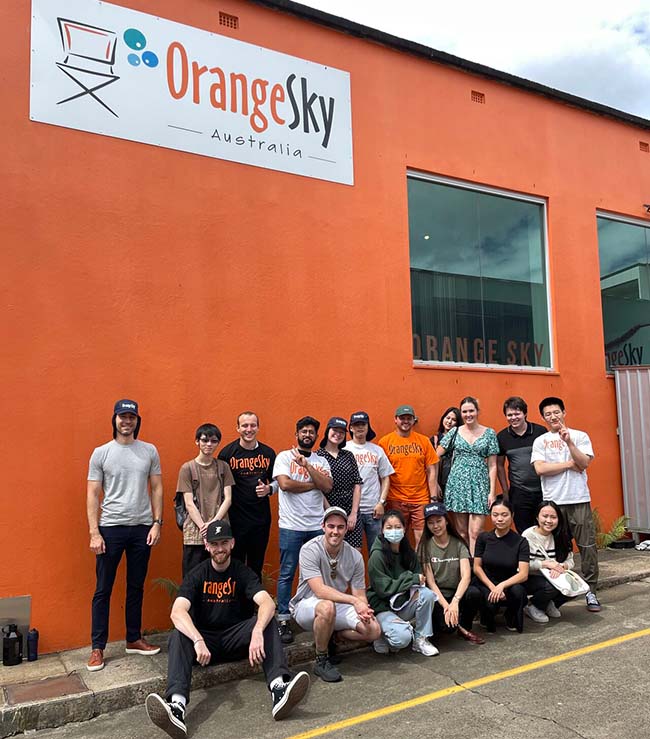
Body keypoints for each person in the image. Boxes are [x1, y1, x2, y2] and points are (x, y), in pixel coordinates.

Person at [144, 521, 310, 737]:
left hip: (237, 639)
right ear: (206, 545)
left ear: (232, 543)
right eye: (214, 544)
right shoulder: (197, 574)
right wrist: (197, 639)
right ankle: (177, 706)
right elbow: (177, 612)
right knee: (178, 635)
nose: (219, 548)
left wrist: (257, 631)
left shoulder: (242, 572)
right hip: (205, 645)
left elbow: (267, 603)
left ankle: (279, 688)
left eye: (224, 542)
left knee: (267, 620)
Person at [86, 399, 163, 672]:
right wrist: (94, 532)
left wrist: (157, 523)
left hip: (142, 527)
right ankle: (98, 647)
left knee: (136, 586)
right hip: (111, 529)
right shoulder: (101, 453)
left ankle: (133, 638)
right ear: (115, 419)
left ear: (137, 421)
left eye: (131, 417)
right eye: (122, 417)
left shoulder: (149, 451)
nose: (127, 422)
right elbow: (93, 494)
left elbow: (156, 489)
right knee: (103, 589)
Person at [289, 507, 381, 682]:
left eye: (340, 527)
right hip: (306, 604)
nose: (335, 531)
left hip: (336, 604)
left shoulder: (355, 556)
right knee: (327, 606)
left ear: (346, 529)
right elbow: (319, 590)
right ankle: (321, 660)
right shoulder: (309, 549)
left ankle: (334, 636)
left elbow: (359, 594)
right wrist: (354, 601)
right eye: (331, 526)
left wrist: (364, 610)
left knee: (373, 631)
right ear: (323, 526)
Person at [531, 396, 601, 612]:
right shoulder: (540, 441)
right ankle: (559, 590)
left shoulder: (579, 436)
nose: (553, 416)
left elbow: (585, 463)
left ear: (564, 412)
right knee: (558, 549)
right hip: (553, 502)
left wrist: (569, 442)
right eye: (548, 414)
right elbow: (540, 469)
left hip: (578, 499)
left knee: (587, 547)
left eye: (556, 412)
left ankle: (591, 591)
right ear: (543, 418)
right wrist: (570, 464)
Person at [272, 416, 333, 645]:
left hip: (316, 526)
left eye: (311, 432)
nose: (308, 435)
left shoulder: (321, 461)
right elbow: (285, 485)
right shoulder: (284, 457)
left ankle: (318, 613)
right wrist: (312, 484)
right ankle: (284, 618)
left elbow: (327, 486)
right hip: (291, 526)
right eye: (304, 431)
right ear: (296, 433)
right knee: (287, 572)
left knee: (319, 574)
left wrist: (307, 466)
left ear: (317, 436)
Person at [367, 510, 438, 656]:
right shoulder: (377, 555)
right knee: (402, 639)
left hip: (403, 603)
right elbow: (383, 589)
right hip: (383, 607)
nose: (394, 531)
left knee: (427, 595)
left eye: (398, 527)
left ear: (404, 529)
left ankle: (420, 639)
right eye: (389, 527)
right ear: (382, 530)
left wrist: (413, 580)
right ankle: (382, 634)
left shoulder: (407, 551)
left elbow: (419, 578)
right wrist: (410, 579)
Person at [437, 396, 499, 555]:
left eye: (471, 410)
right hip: (457, 484)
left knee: (476, 532)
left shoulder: (489, 433)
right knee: (462, 532)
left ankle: (476, 567)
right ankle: (466, 568)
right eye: (464, 411)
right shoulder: (455, 432)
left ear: (478, 411)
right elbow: (435, 455)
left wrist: (492, 491)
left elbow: (492, 465)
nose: (468, 414)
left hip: (479, 484)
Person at [218, 411, 277, 579]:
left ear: (258, 428)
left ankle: (253, 604)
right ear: (237, 428)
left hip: (260, 521)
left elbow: (278, 481)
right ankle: (235, 605)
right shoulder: (227, 454)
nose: (249, 429)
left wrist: (269, 489)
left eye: (252, 425)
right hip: (235, 521)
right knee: (234, 565)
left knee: (255, 567)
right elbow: (220, 487)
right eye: (244, 425)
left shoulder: (268, 453)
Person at [417, 502, 484, 645]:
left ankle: (465, 627)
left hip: (457, 592)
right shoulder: (425, 547)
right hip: (438, 595)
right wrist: (447, 606)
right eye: (431, 523)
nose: (436, 526)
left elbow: (466, 576)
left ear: (446, 521)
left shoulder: (458, 544)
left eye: (439, 521)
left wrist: (455, 601)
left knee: (474, 593)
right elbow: (431, 582)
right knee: (446, 629)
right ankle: (452, 624)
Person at [378, 404, 439, 545]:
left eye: (409, 418)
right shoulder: (385, 442)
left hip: (421, 499)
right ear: (395, 420)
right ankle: (398, 567)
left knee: (422, 540)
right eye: (402, 418)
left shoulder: (423, 441)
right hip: (395, 498)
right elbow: (381, 474)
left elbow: (431, 470)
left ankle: (419, 567)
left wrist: (433, 497)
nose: (406, 421)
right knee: (396, 539)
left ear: (413, 420)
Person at [176, 423, 233, 577]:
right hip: (195, 531)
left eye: (213, 441)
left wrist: (214, 523)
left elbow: (228, 499)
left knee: (219, 575)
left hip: (220, 526)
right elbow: (188, 502)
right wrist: (203, 527)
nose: (209, 444)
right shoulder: (187, 468)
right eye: (205, 440)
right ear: (197, 441)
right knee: (192, 575)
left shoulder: (223, 467)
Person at [473, 498, 530, 633]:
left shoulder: (521, 542)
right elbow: (477, 567)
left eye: (504, 515)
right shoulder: (483, 538)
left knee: (519, 592)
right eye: (495, 515)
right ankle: (485, 615)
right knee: (488, 605)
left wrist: (502, 586)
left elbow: (523, 574)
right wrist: (493, 587)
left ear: (512, 516)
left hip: (509, 583)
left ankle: (510, 615)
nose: (499, 519)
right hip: (487, 583)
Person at [345, 411, 395, 550]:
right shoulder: (344, 449)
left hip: (374, 511)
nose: (360, 428)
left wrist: (381, 503)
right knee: (352, 553)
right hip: (351, 511)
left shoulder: (377, 450)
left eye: (363, 424)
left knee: (377, 552)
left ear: (368, 427)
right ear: (351, 428)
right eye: (356, 425)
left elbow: (386, 478)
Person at [496, 396, 546, 533]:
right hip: (519, 492)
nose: (513, 417)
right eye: (509, 415)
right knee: (524, 531)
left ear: (525, 413)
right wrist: (506, 492)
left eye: (517, 413)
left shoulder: (540, 432)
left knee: (545, 526)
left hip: (544, 489)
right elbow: (499, 465)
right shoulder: (502, 437)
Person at [521, 501, 574, 624]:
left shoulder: (561, 534)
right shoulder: (528, 536)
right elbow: (522, 565)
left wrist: (561, 566)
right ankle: (534, 607)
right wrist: (546, 564)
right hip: (531, 578)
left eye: (553, 517)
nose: (549, 521)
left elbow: (570, 560)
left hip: (554, 576)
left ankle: (549, 603)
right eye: (545, 516)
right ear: (537, 517)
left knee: (576, 586)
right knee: (551, 586)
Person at [317, 417, 364, 548]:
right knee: (330, 552)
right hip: (328, 509)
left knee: (354, 553)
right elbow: (317, 489)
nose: (338, 434)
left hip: (350, 511)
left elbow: (357, 484)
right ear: (327, 431)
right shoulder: (318, 456)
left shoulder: (348, 455)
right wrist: (330, 512)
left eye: (342, 432)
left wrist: (354, 513)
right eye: (335, 430)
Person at [429, 407, 462, 497]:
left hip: (456, 482)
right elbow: (429, 465)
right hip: (438, 479)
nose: (449, 422)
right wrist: (435, 484)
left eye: (454, 420)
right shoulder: (434, 440)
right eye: (448, 418)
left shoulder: (460, 441)